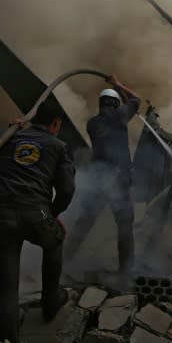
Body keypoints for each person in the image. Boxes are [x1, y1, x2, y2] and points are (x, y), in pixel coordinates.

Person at [0, 101, 75, 343]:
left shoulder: (12, 138)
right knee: (56, 238)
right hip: (38, 213)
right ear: (56, 123)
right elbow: (66, 191)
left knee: (5, 289)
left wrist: (12, 133)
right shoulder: (59, 146)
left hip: (1, 215)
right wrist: (53, 214)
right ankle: (51, 300)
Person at [64, 74, 140, 274]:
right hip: (119, 180)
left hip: (99, 180)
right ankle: (125, 271)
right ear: (116, 104)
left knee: (85, 222)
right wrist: (119, 84)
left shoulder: (93, 124)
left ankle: (63, 261)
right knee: (124, 227)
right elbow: (135, 100)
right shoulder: (120, 117)